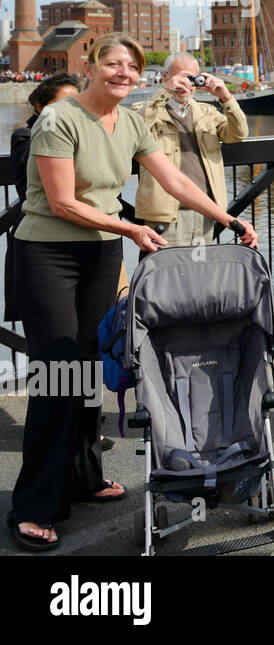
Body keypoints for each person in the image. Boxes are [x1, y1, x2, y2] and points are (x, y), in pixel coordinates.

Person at [6, 33, 257, 551]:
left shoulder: (132, 122)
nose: (123, 72)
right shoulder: (60, 119)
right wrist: (131, 230)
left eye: (132, 66)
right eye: (113, 63)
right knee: (56, 374)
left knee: (88, 366)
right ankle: (33, 504)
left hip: (99, 255)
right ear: (92, 65)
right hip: (48, 256)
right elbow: (60, 203)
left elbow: (176, 182)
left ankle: (83, 477)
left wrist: (227, 218)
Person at [132, 52, 248, 247]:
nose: (185, 84)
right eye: (180, 77)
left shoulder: (207, 112)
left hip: (206, 210)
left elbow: (238, 133)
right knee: (166, 271)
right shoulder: (148, 110)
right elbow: (136, 130)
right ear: (165, 77)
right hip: (165, 213)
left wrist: (225, 97)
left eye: (191, 77)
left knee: (198, 272)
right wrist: (165, 91)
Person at [4, 73, 81, 324]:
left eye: (76, 104)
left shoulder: (86, 135)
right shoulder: (25, 136)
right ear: (40, 107)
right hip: (45, 243)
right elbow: (36, 187)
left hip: (88, 241)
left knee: (94, 334)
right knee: (50, 330)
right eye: (64, 104)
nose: (72, 111)